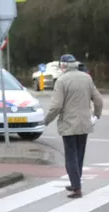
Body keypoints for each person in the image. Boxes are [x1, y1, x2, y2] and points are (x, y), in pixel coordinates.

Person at [43, 54, 104, 198]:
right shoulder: (87, 78)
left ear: (63, 65)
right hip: (84, 123)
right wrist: (97, 115)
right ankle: (75, 182)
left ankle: (76, 188)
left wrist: (46, 120)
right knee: (79, 155)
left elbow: (56, 106)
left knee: (71, 156)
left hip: (69, 124)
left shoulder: (61, 81)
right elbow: (99, 100)